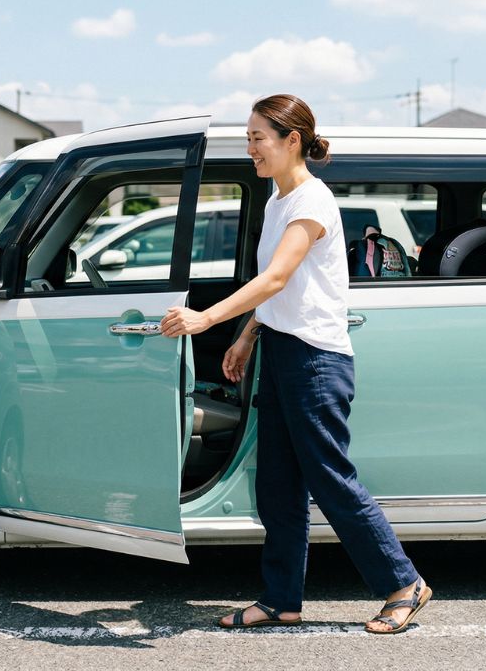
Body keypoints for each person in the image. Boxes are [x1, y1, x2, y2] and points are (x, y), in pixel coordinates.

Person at [160, 94, 430, 634]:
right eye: (249, 137)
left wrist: (206, 319)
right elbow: (280, 294)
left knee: (330, 479)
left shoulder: (311, 201)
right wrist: (247, 335)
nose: (251, 147)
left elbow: (277, 277)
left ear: (292, 141)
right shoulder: (277, 201)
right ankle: (282, 599)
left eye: (258, 137)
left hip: (316, 360)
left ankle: (404, 583)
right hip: (283, 351)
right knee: (276, 485)